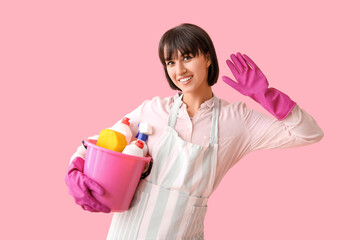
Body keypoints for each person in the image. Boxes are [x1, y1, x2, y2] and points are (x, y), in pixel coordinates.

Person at [65, 23, 324, 239]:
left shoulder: (237, 120)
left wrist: (267, 96)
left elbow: (309, 133)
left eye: (187, 57)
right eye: (170, 62)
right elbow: (99, 144)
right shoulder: (153, 110)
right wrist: (75, 169)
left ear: (208, 57)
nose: (179, 71)